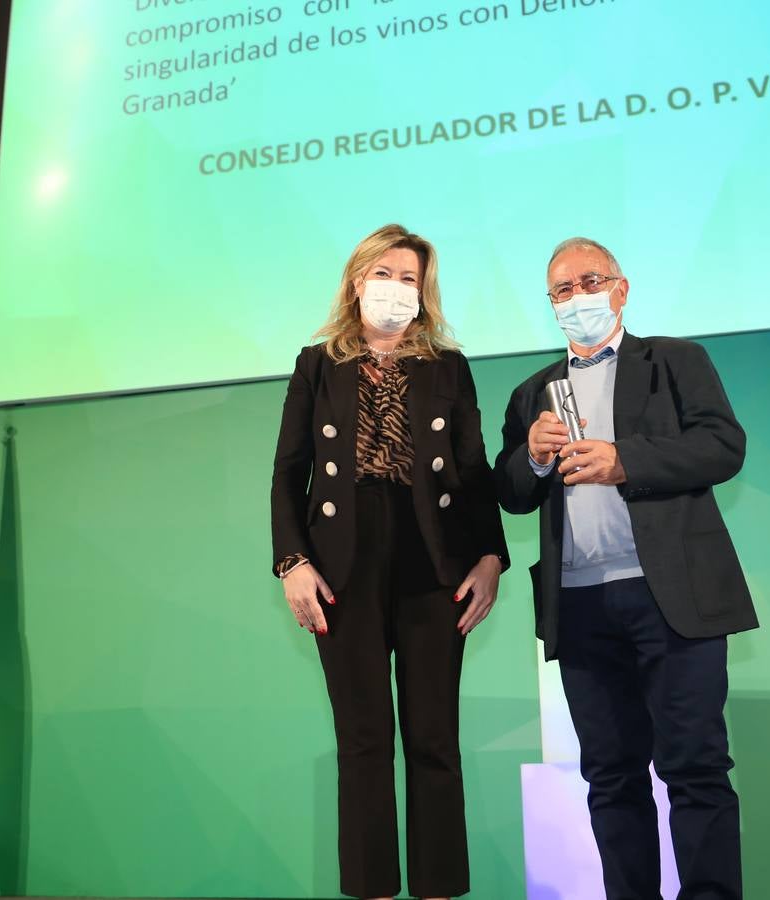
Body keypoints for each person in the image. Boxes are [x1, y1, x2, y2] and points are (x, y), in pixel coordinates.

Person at [495, 237, 758, 899]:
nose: (577, 297)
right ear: (551, 305)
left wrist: (625, 462)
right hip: (580, 606)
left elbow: (723, 446)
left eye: (590, 281)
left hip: (672, 595)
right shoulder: (533, 392)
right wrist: (529, 456)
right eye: (562, 289)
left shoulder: (674, 361)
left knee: (694, 767)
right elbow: (509, 492)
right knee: (611, 776)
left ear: (621, 288)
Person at [271, 224, 509, 900]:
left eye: (409, 279)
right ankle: (373, 891)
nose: (396, 289)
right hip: (341, 562)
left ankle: (437, 891)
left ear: (423, 292)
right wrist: (292, 561)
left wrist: (491, 555)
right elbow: (289, 471)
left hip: (434, 557)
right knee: (364, 742)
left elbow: (471, 470)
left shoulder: (448, 366)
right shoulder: (316, 363)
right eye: (385, 274)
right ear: (356, 281)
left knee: (435, 739)